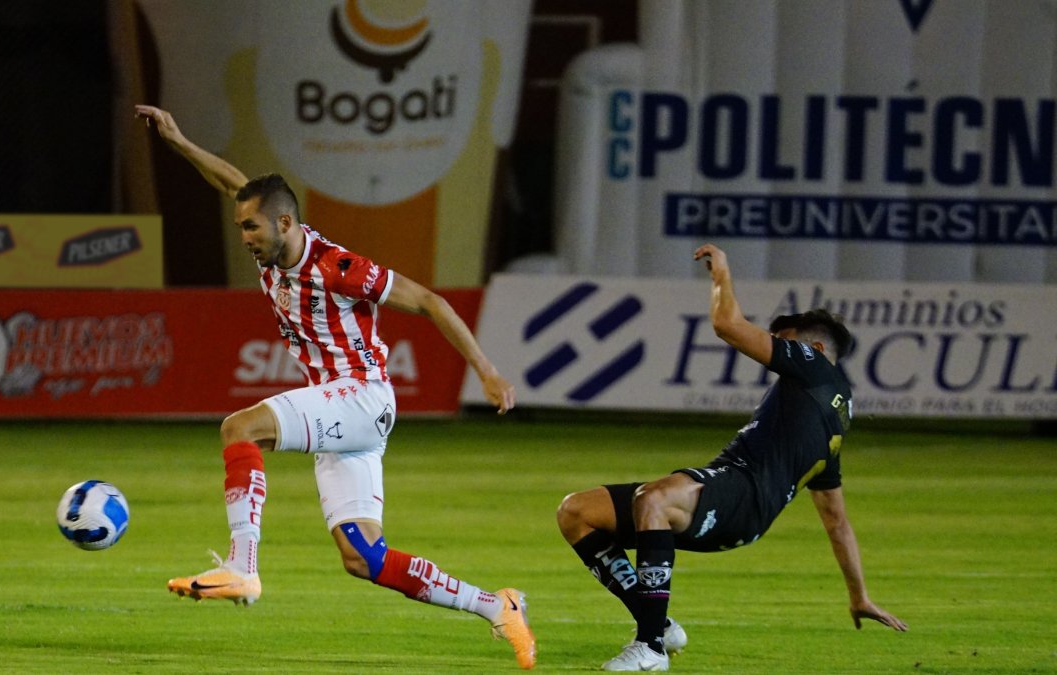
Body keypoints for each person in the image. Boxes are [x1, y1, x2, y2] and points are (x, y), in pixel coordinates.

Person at [135, 104, 535, 670]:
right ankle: (497, 606)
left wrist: (487, 369)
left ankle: (242, 566)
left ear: (284, 224)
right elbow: (231, 183)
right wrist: (178, 140)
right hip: (345, 421)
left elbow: (429, 301)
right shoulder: (273, 242)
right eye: (240, 225)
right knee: (362, 557)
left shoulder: (338, 267)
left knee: (239, 428)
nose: (244, 236)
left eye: (251, 227)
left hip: (361, 396)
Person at [556, 243, 907, 672]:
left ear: (814, 347)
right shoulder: (833, 423)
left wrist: (721, 272)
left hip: (741, 493)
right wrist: (859, 596)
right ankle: (659, 624)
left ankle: (649, 648)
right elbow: (836, 521)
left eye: (787, 338)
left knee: (655, 500)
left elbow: (727, 324)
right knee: (576, 512)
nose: (776, 343)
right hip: (740, 503)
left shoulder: (815, 367)